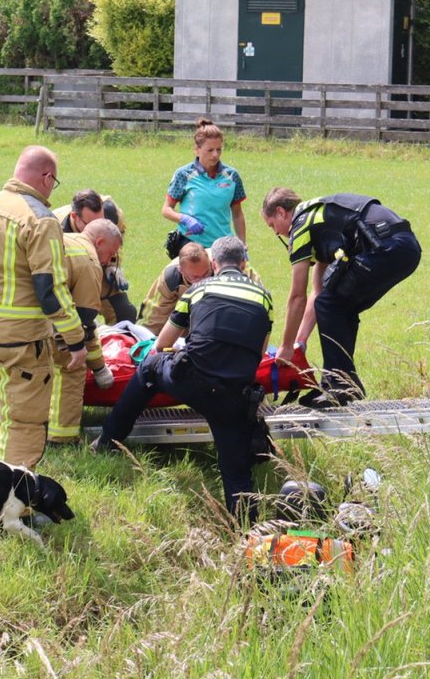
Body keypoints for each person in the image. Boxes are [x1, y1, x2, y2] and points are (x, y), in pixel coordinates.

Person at [93, 237, 272, 522]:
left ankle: (108, 438)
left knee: (150, 367)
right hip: (234, 392)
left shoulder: (198, 290)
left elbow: (161, 344)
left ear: (214, 263)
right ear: (242, 263)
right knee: (236, 471)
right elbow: (260, 353)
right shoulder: (263, 296)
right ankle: (246, 530)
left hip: (193, 379)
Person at [0, 145, 86, 469]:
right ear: (47, 177)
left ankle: (1, 478)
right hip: (22, 341)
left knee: (6, 415)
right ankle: (16, 493)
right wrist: (76, 340)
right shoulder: (41, 219)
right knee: (25, 423)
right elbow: (50, 290)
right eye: (54, 183)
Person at [261, 187, 421, 405]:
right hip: (404, 246)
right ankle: (339, 382)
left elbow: (297, 295)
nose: (276, 233)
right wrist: (299, 343)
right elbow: (318, 291)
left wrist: (286, 347)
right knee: (338, 305)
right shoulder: (319, 220)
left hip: (387, 245)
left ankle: (339, 385)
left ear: (281, 212)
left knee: (332, 305)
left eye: (272, 225)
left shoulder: (301, 224)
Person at [47, 219, 122, 445]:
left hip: (22, 322)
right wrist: (99, 368)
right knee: (72, 367)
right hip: (54, 324)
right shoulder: (89, 260)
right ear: (99, 242)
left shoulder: (66, 240)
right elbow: (84, 321)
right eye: (110, 254)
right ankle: (62, 437)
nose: (108, 261)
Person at [138, 241, 264, 335]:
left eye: (206, 274)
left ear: (213, 264)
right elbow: (153, 317)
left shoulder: (230, 266)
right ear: (181, 271)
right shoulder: (171, 278)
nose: (202, 282)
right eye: (195, 277)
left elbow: (259, 301)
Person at [162, 118, 247, 254]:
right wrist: (185, 219)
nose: (215, 155)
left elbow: (237, 214)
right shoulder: (183, 175)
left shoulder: (232, 176)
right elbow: (166, 209)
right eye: (210, 150)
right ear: (197, 150)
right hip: (191, 245)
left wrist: (242, 244)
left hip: (223, 246)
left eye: (219, 149)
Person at [54, 188, 135, 323]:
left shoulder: (112, 214)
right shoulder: (54, 227)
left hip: (100, 263)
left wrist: (112, 263)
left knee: (124, 312)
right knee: (82, 316)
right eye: (91, 224)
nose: (97, 227)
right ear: (74, 217)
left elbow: (115, 240)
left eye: (101, 221)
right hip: (69, 274)